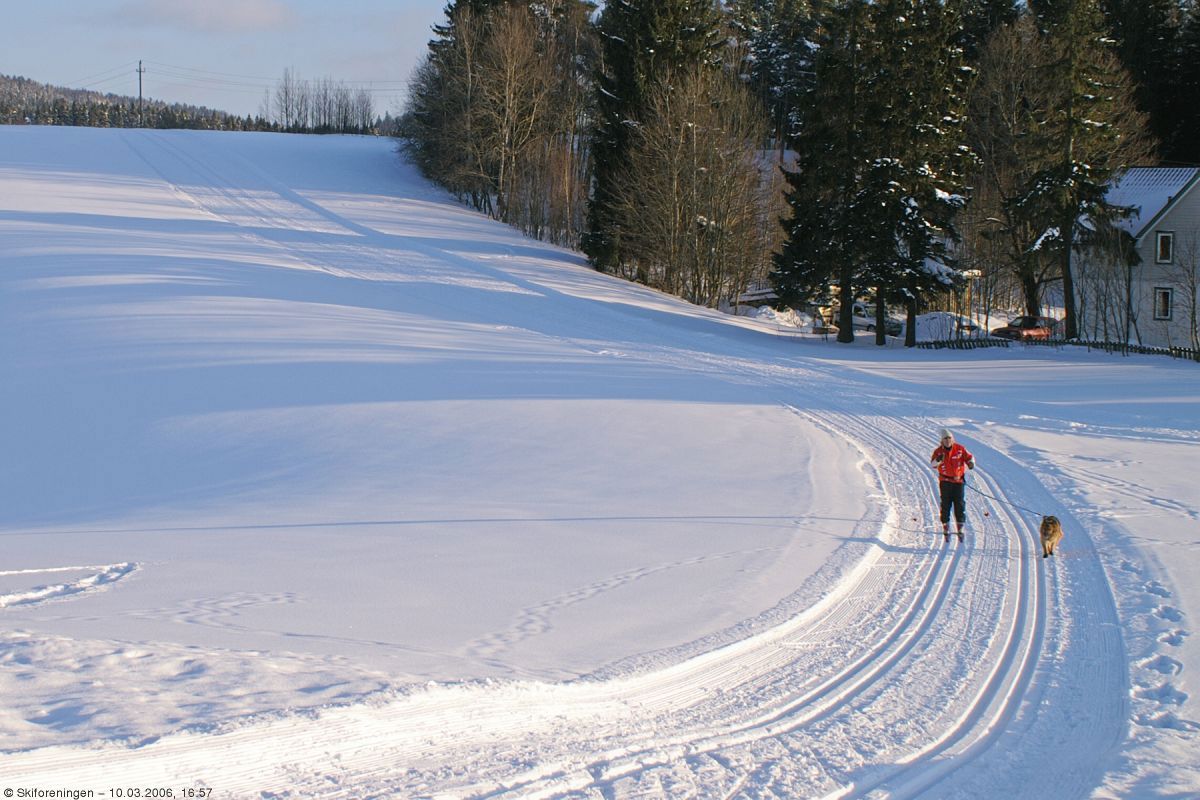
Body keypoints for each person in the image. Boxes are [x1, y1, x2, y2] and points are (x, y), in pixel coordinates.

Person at [931, 428, 975, 542]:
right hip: (945, 481)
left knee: (959, 503)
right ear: (942, 440)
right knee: (946, 503)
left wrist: (970, 463)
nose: (947, 440)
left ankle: (960, 526)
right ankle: (945, 525)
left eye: (949, 438)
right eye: (945, 438)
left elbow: (969, 457)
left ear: (952, 439)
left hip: (958, 481)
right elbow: (933, 464)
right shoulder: (938, 452)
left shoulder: (960, 449)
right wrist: (938, 460)